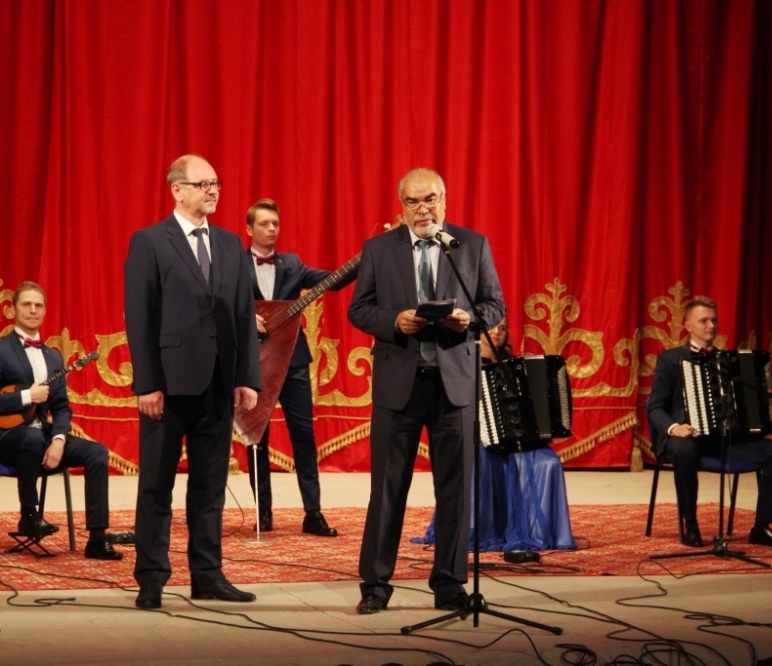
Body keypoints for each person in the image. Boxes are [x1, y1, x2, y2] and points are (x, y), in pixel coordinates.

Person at [348, 167, 505, 615]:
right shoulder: (379, 249)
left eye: (430, 199)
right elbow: (359, 309)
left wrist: (469, 320)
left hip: (454, 385)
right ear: (401, 206)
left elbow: (494, 304)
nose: (423, 209)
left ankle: (450, 585)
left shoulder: (471, 245)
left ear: (444, 201)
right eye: (413, 202)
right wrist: (393, 322)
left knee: (454, 491)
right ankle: (375, 585)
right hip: (399, 384)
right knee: (386, 491)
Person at [124, 154, 261, 610]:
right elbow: (140, 317)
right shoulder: (150, 242)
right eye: (203, 184)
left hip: (218, 384)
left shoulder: (230, 244)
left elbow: (243, 315)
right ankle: (151, 577)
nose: (213, 190)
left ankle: (208, 574)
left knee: (209, 486)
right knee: (156, 486)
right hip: (166, 386)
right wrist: (147, 383)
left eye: (216, 183)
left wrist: (246, 377)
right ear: (177, 190)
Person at [0, 281, 121, 560]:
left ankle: (97, 538)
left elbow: (61, 407)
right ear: (14, 309)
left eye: (38, 305)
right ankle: (29, 515)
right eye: (26, 304)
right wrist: (27, 396)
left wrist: (59, 440)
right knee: (31, 438)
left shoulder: (53, 356)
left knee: (97, 452)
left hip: (42, 436)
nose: (32, 310)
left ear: (44, 311)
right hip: (2, 437)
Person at [414, 317, 577, 555]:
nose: (497, 332)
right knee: (478, 460)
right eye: (492, 326)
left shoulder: (513, 364)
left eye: (502, 328)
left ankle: (540, 532)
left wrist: (543, 428)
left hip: (517, 441)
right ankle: (481, 529)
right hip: (478, 437)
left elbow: (529, 408)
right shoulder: (463, 362)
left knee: (549, 462)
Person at [243, 198, 355, 537]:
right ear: (249, 229)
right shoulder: (234, 265)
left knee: (304, 436)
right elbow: (218, 301)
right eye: (264, 224)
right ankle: (263, 513)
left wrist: (369, 257)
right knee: (256, 438)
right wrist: (246, 316)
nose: (272, 229)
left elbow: (333, 280)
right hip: (253, 363)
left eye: (275, 224)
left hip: (293, 361)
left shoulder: (292, 264)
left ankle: (313, 513)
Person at [647, 295, 772, 548]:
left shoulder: (732, 361)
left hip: (726, 439)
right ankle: (690, 524)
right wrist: (674, 427)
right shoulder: (669, 359)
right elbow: (655, 407)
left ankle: (761, 527)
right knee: (684, 450)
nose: (711, 325)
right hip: (687, 437)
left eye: (714, 320)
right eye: (703, 320)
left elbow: (749, 405)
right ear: (688, 326)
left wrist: (767, 403)